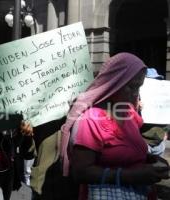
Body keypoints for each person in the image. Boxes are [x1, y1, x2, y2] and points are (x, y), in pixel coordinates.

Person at [61, 53, 170, 199]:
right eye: (131, 87)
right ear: (114, 83)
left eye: (139, 87)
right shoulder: (90, 120)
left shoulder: (128, 112)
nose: (136, 94)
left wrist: (150, 160)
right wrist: (129, 176)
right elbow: (81, 172)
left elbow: (126, 151)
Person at [140, 68, 169, 156]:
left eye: (157, 80)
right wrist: (136, 108)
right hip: (144, 143)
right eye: (151, 80)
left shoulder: (164, 97)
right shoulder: (135, 98)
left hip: (159, 144)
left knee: (159, 168)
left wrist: (166, 134)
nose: (155, 82)